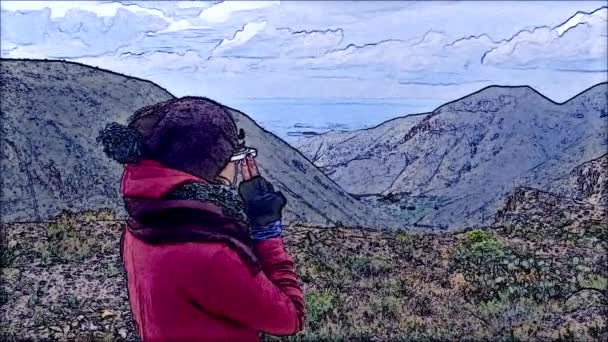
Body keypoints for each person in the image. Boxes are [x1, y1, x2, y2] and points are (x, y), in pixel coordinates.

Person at [97, 97, 305, 341]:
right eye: (233, 159)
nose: (235, 170)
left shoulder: (140, 228)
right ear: (210, 165)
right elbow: (290, 318)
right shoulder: (212, 255)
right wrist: (266, 231)